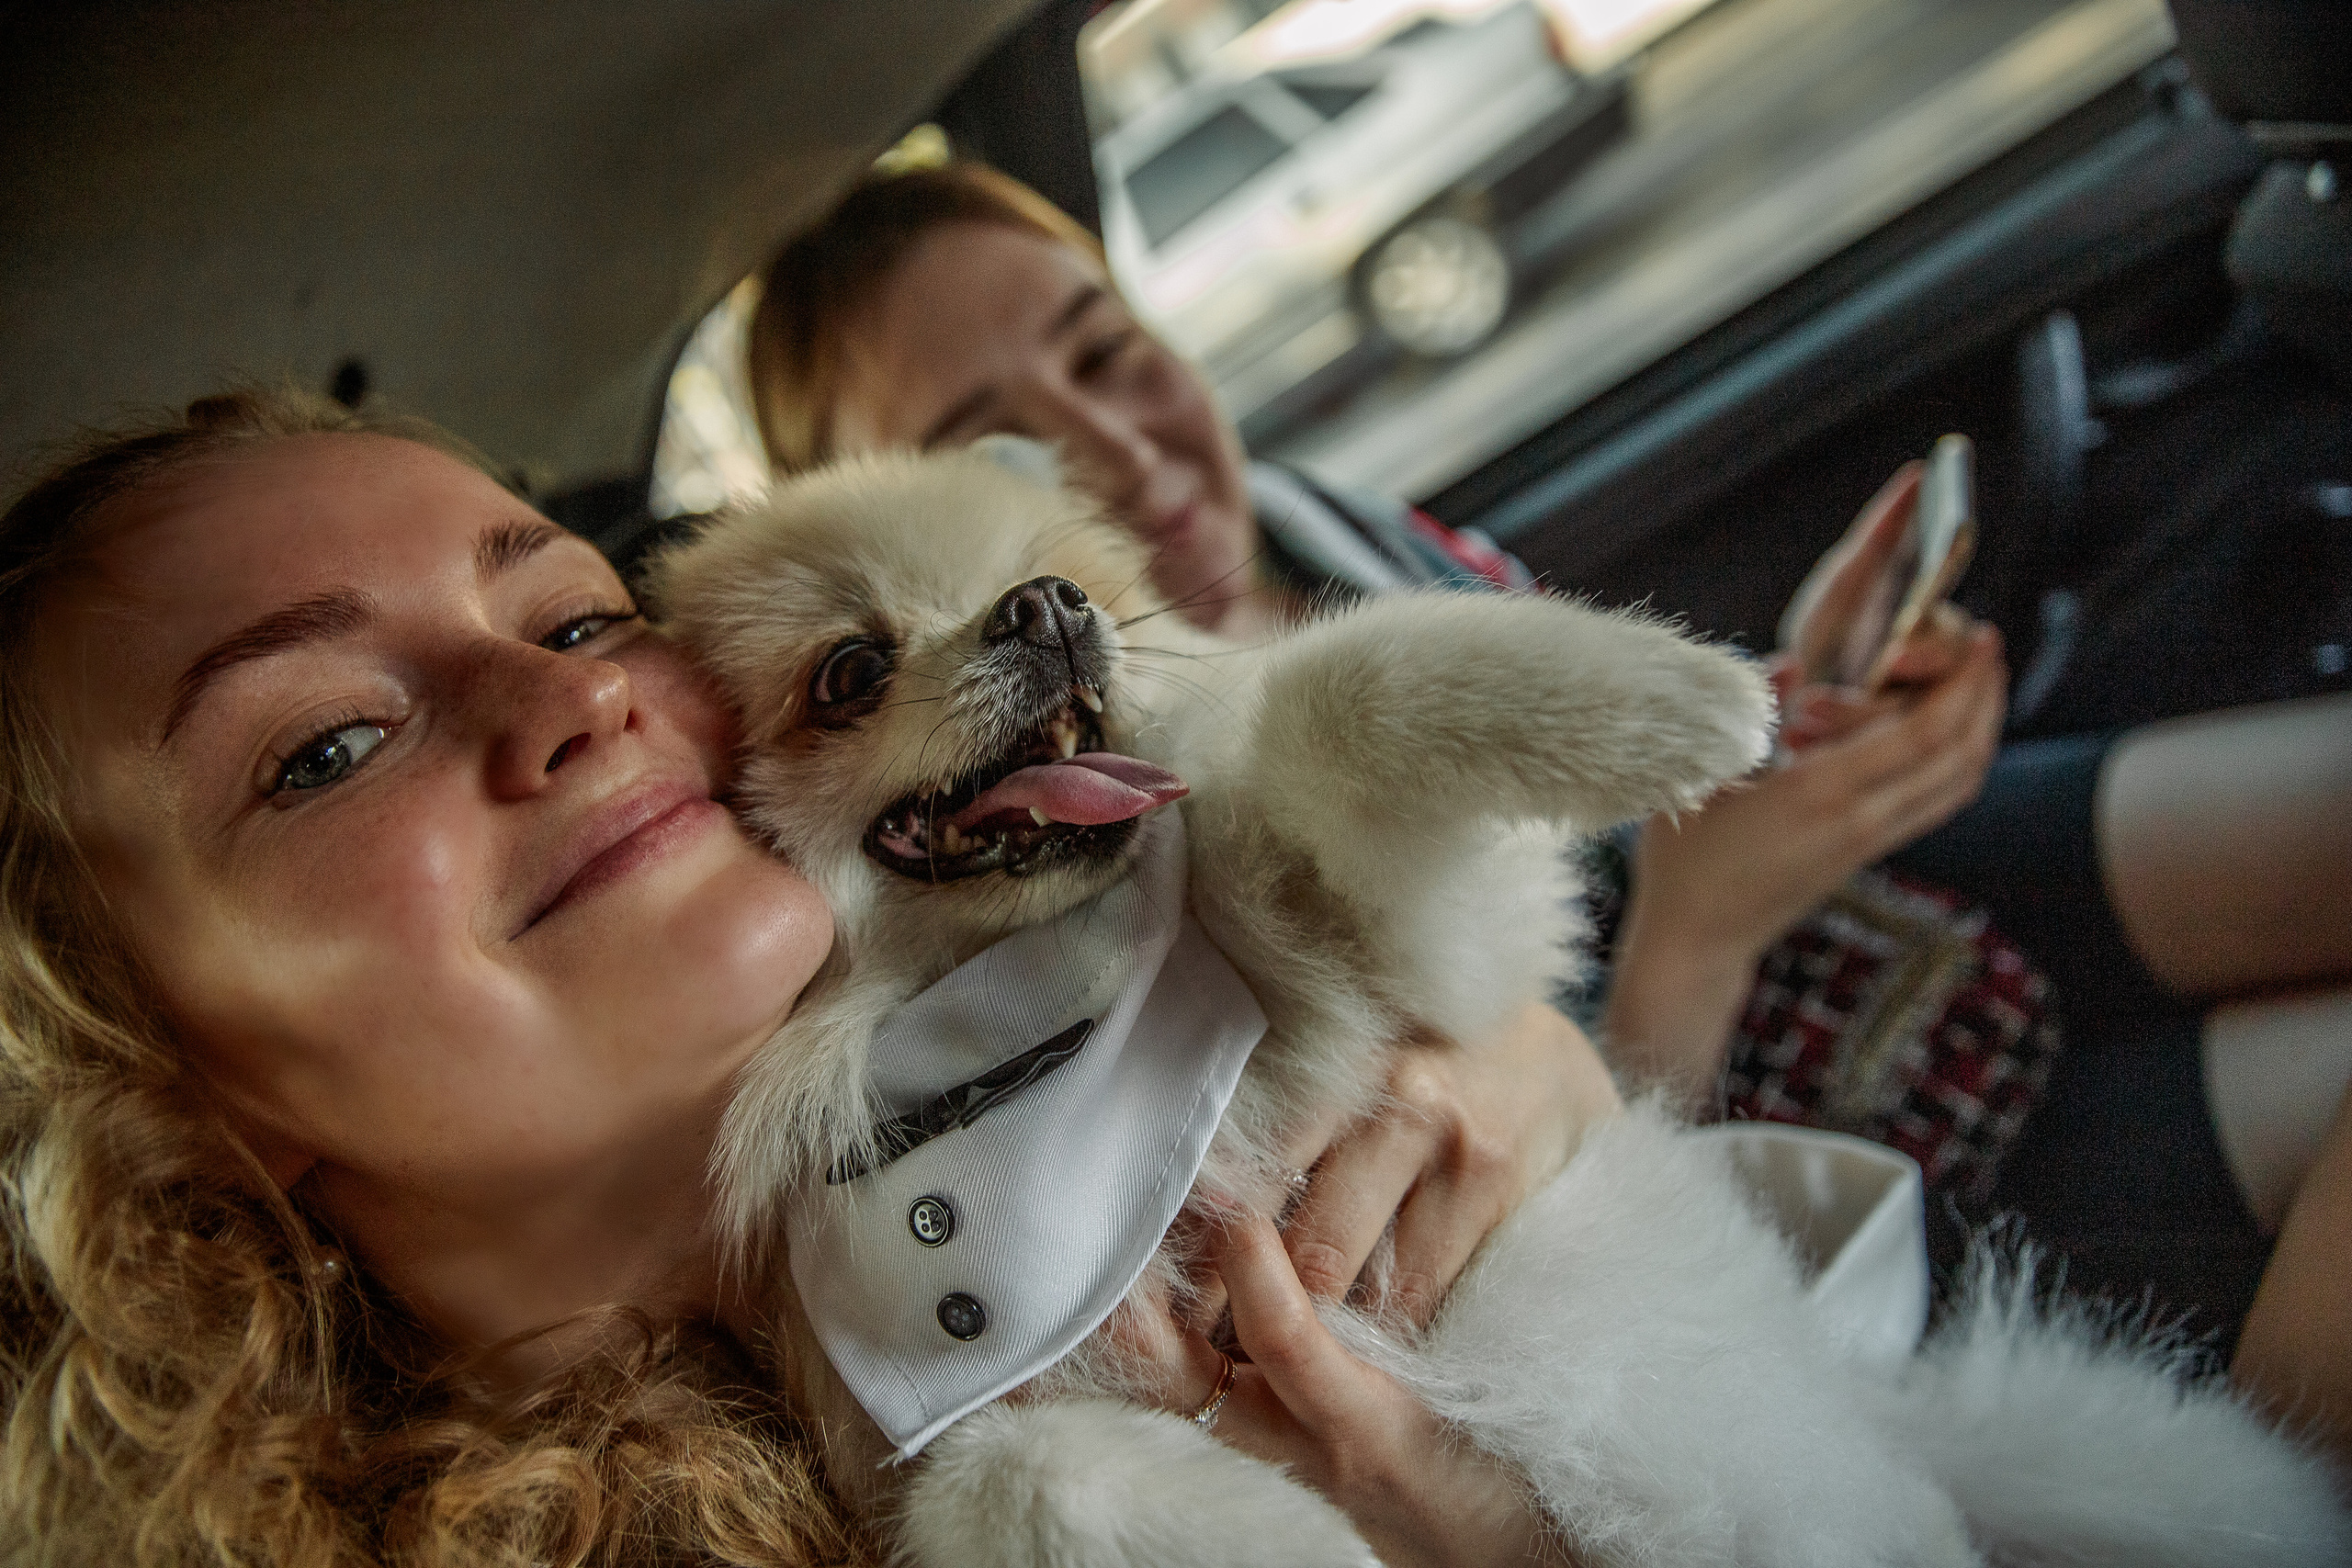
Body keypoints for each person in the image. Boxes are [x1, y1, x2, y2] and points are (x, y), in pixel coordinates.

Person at [740, 159, 2352, 1445]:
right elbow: (1558, 1233)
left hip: (1877, 909)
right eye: (1004, 442)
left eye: (1107, 351)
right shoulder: (1043, 887)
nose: (1115, 452)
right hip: (1788, 1139)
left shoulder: (1322, 525)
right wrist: (1705, 923)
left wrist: (1777, 724)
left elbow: (1593, 799)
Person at [0, 389, 1623, 1564]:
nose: (569, 704)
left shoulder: (1180, 988)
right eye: (327, 748)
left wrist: (1542, 1072)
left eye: (574, 619)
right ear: (144, 1087)